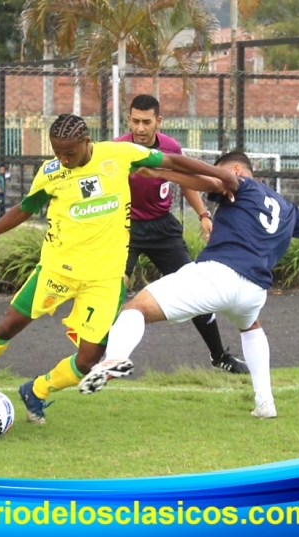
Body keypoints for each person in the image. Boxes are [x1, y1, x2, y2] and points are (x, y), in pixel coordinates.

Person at [0, 114, 239, 424]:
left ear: (87, 142)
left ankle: (37, 390)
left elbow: (174, 161)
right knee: (7, 327)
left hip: (104, 279)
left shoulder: (119, 154)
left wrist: (222, 176)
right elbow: (23, 210)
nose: (64, 159)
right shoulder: (51, 173)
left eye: (69, 152)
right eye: (58, 152)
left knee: (88, 361)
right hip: (56, 271)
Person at [77, 151, 299, 419]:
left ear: (238, 169)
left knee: (136, 308)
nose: (220, 180)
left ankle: (114, 358)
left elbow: (212, 180)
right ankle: (265, 402)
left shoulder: (242, 185)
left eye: (223, 173)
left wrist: (162, 172)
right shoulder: (288, 209)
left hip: (219, 276)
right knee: (251, 326)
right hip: (254, 291)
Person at [112, 94, 247, 374]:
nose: (140, 127)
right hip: (125, 229)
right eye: (135, 121)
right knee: (114, 291)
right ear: (129, 120)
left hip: (163, 228)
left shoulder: (171, 148)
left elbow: (187, 183)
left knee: (196, 291)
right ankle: (105, 360)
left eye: (146, 122)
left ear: (158, 121)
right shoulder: (116, 149)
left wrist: (204, 214)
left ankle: (219, 356)